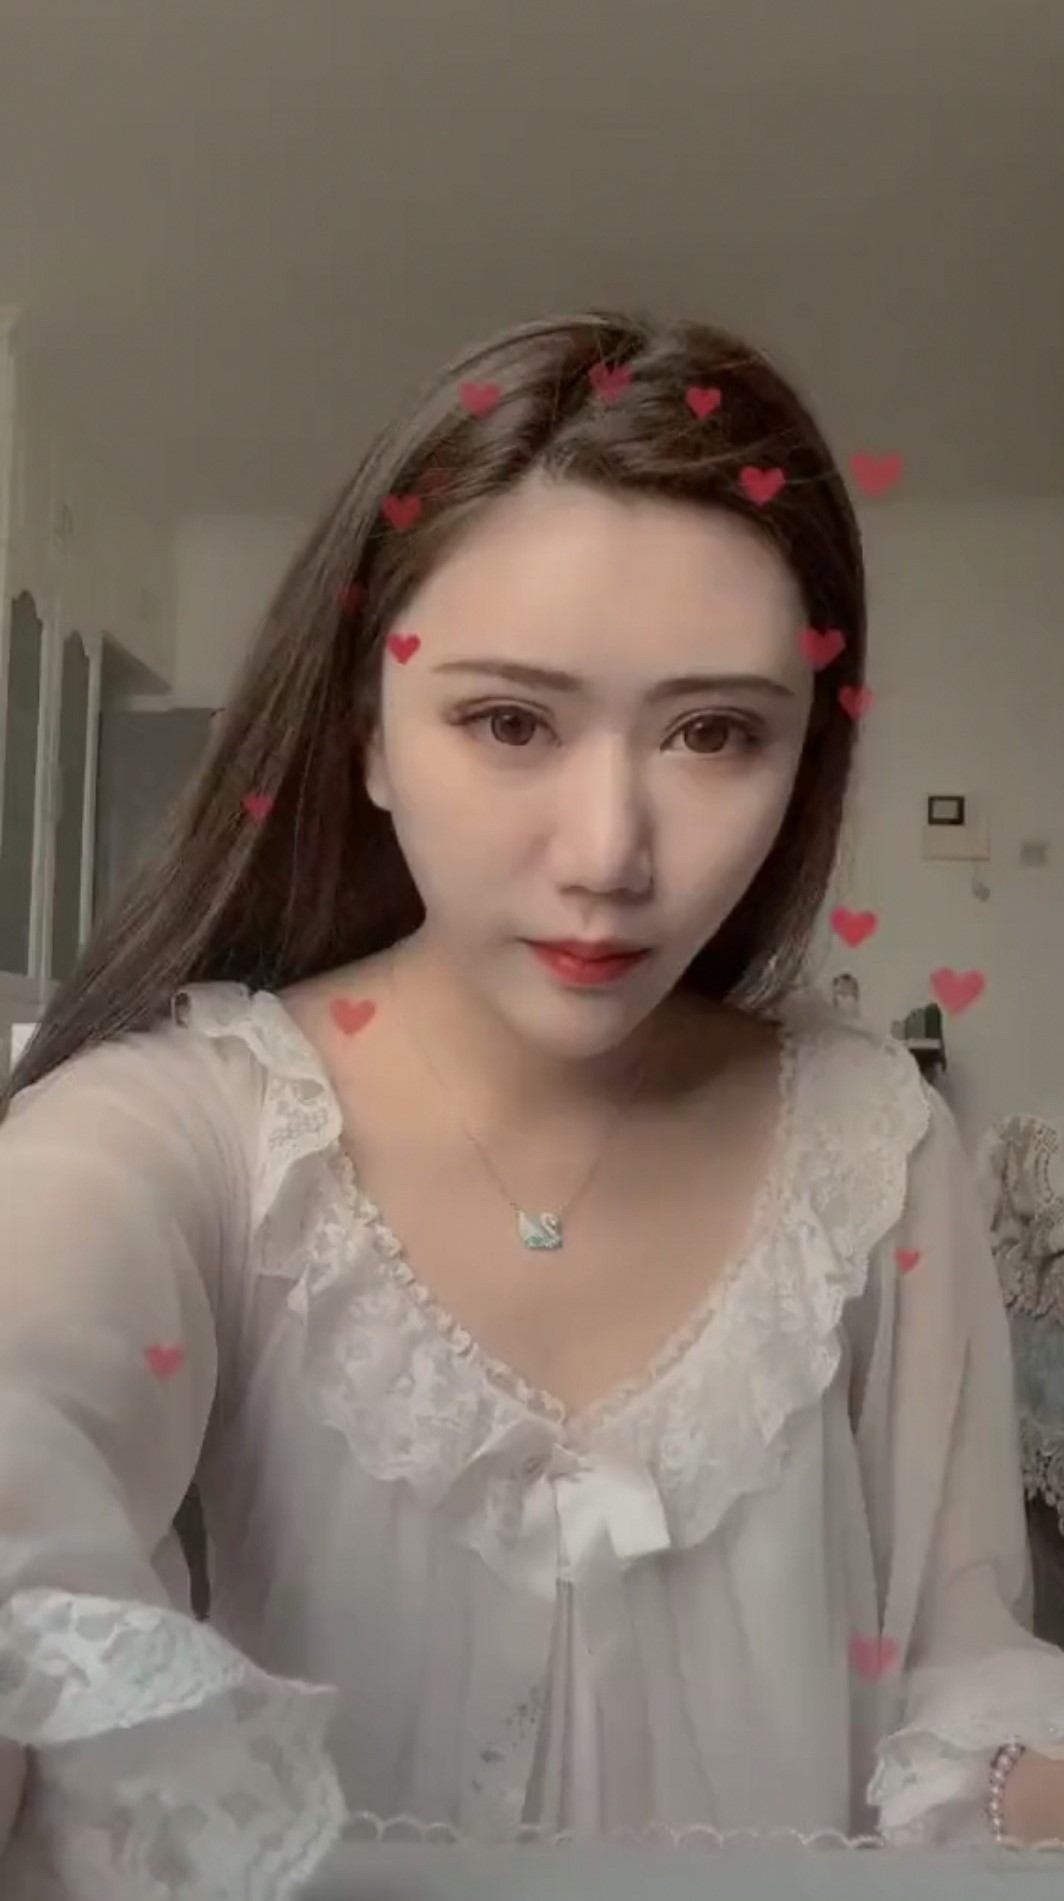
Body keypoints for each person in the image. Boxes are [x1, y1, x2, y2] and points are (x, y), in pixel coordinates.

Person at [1, 309, 1063, 1899]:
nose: (610, 851)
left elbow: (965, 1660)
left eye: (716, 732)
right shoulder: (198, 1127)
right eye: (509, 721)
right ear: (366, 736)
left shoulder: (871, 1142)